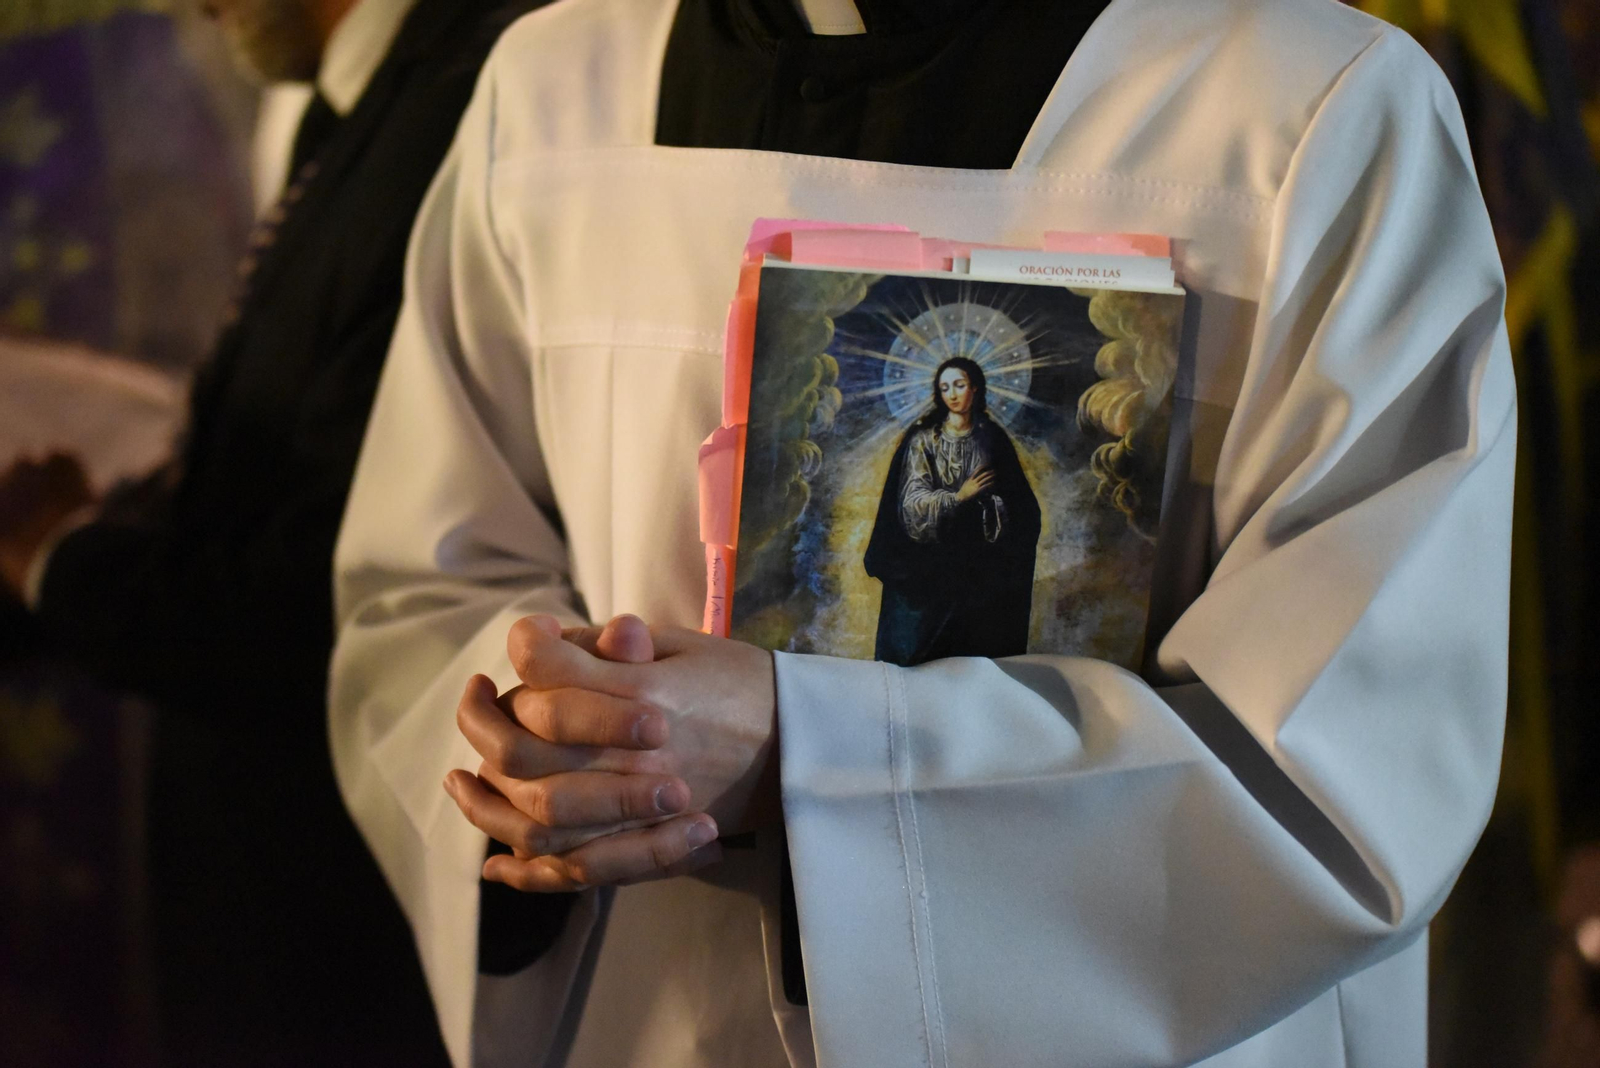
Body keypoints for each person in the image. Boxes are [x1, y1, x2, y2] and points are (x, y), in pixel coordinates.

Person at [329, 0, 1516, 1065]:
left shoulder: (1304, 114)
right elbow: (419, 585)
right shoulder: (551, 92)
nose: (952, 405)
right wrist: (557, 731)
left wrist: (805, 759)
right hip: (644, 1013)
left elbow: (1344, 757)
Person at [0, 0, 539, 1061]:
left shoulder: (464, 103)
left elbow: (333, 589)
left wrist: (63, 556)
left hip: (343, 915)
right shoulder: (362, 109)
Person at [864, 356, 1041, 665]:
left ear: (975, 388)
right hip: (929, 564)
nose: (953, 394)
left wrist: (992, 505)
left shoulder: (992, 439)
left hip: (978, 565)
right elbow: (911, 502)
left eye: (959, 385)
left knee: (974, 651)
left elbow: (1021, 507)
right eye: (945, 387)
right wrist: (959, 497)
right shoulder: (923, 441)